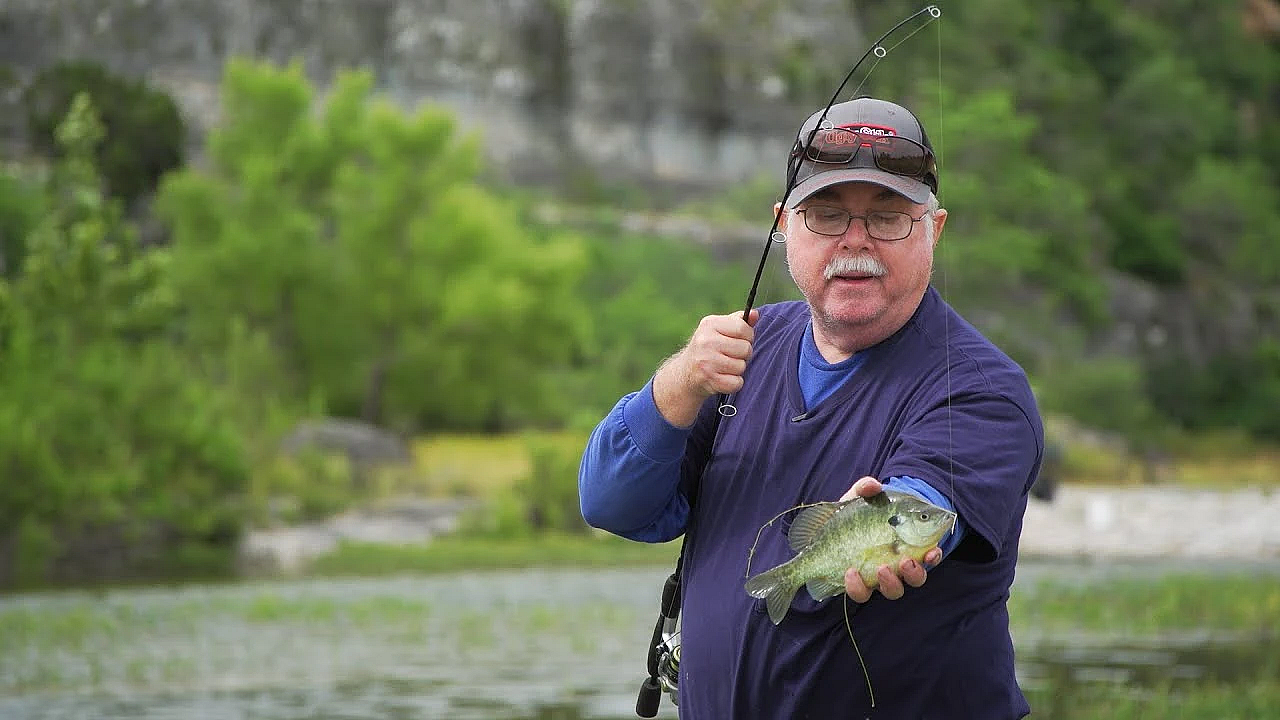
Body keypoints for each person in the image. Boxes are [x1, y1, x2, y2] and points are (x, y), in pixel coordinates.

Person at [578, 97, 1043, 719]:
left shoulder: (983, 388)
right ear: (783, 225)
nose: (856, 241)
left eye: (888, 217)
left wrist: (878, 522)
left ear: (933, 230)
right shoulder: (741, 350)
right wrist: (680, 383)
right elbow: (610, 504)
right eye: (826, 215)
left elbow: (927, 503)